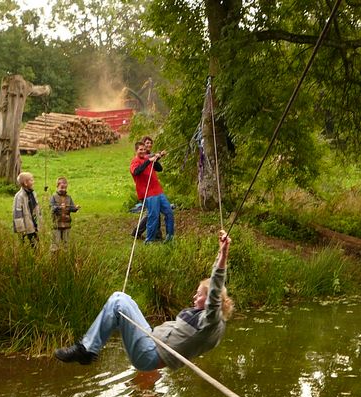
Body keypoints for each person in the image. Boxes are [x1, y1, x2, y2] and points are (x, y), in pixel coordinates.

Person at [54, 231, 233, 370]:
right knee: (123, 299)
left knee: (118, 302)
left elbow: (215, 292)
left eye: (199, 294)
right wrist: (220, 252)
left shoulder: (211, 322)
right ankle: (94, 342)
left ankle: (86, 350)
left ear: (210, 299)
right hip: (150, 340)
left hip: (149, 354)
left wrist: (224, 257)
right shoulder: (207, 320)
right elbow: (213, 291)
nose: (194, 297)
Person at [130, 141, 174, 243]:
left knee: (169, 212)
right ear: (136, 150)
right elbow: (137, 171)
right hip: (147, 193)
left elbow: (160, 169)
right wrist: (149, 161)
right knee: (153, 216)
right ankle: (149, 240)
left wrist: (157, 158)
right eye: (140, 149)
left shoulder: (148, 159)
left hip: (158, 191)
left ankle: (170, 237)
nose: (143, 151)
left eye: (144, 149)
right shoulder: (135, 162)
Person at [49, 176, 80, 249]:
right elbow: (51, 208)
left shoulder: (69, 197)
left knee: (66, 244)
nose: (63, 189)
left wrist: (76, 208)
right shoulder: (53, 197)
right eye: (62, 187)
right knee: (55, 244)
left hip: (67, 224)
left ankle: (65, 258)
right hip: (56, 225)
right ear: (57, 186)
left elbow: (72, 208)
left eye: (65, 188)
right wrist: (59, 207)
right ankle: (55, 258)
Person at [12, 171, 40, 245]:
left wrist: (40, 221)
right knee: (26, 244)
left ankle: (36, 256)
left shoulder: (33, 193)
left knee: (36, 244)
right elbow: (17, 213)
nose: (33, 182)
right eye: (31, 180)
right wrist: (20, 228)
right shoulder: (19, 196)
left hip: (34, 225)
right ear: (25, 183)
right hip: (25, 226)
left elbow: (36, 208)